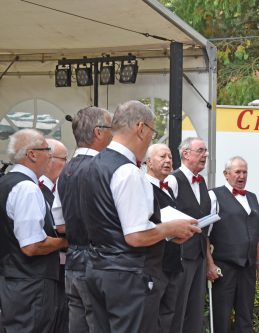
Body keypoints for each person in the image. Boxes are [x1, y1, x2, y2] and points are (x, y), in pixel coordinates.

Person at [80, 100, 200, 333]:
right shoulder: (127, 171)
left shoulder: (93, 165)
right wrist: (170, 229)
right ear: (141, 128)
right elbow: (135, 236)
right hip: (128, 276)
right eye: (152, 132)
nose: (150, 140)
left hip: (97, 269)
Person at [51, 106, 113, 333]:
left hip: (72, 263)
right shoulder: (104, 169)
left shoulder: (64, 173)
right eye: (110, 128)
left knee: (77, 325)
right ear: (98, 132)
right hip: (100, 263)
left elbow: (59, 224)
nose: (113, 134)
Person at [0, 129, 68, 333]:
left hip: (12, 280)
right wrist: (65, 241)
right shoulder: (26, 188)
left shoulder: (5, 183)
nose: (50, 155)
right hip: (30, 284)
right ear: (32, 154)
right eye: (47, 149)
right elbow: (32, 245)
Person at [206, 156, 259, 333]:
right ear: (226, 174)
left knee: (245, 318)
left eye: (245, 172)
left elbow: (257, 237)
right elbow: (205, 235)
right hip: (224, 268)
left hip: (247, 269)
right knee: (221, 317)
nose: (242, 176)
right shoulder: (214, 196)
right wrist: (210, 264)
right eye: (237, 172)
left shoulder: (253, 198)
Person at [164, 136, 211, 333]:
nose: (205, 155)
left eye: (205, 151)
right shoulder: (173, 180)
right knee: (176, 308)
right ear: (185, 154)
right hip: (180, 255)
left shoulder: (202, 183)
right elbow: (164, 215)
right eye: (200, 151)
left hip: (198, 255)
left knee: (195, 311)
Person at [143, 143, 181, 330]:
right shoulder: (143, 187)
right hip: (154, 265)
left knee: (168, 316)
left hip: (171, 262)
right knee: (152, 317)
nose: (168, 161)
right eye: (162, 157)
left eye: (170, 157)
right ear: (149, 162)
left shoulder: (168, 188)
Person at [38, 138, 69, 333]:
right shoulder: (35, 190)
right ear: (49, 159)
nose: (67, 164)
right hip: (42, 272)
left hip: (62, 271)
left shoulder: (59, 189)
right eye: (64, 159)